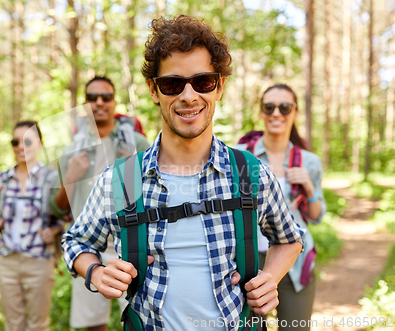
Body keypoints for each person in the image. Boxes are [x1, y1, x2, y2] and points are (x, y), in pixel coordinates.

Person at [63, 16, 305, 331]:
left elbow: (290, 239)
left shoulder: (250, 172)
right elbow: (75, 241)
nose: (188, 96)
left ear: (219, 87)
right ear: (154, 90)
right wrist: (96, 272)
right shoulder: (121, 178)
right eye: (173, 84)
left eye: (202, 81)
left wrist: (269, 278)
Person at [49, 76, 150, 331]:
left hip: (132, 244)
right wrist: (70, 176)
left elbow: (154, 200)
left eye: (106, 97)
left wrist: (132, 168)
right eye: (92, 98)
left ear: (115, 102)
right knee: (94, 325)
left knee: (143, 321)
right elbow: (58, 208)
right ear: (85, 104)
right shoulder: (72, 150)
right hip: (88, 249)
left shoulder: (136, 144)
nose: (99, 103)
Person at [235, 84, 326, 331]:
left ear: (295, 113)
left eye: (285, 107)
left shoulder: (309, 161)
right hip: (248, 261)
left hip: (295, 260)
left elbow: (316, 217)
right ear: (261, 112)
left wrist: (310, 188)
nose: (277, 113)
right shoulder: (239, 157)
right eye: (269, 107)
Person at [0, 120, 64, 331]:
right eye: (16, 142)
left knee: (38, 325)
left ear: (40, 144)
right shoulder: (3, 179)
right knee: (13, 324)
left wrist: (54, 230)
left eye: (27, 141)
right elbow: (4, 214)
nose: (21, 147)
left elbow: (64, 216)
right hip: (7, 261)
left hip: (39, 261)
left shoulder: (52, 178)